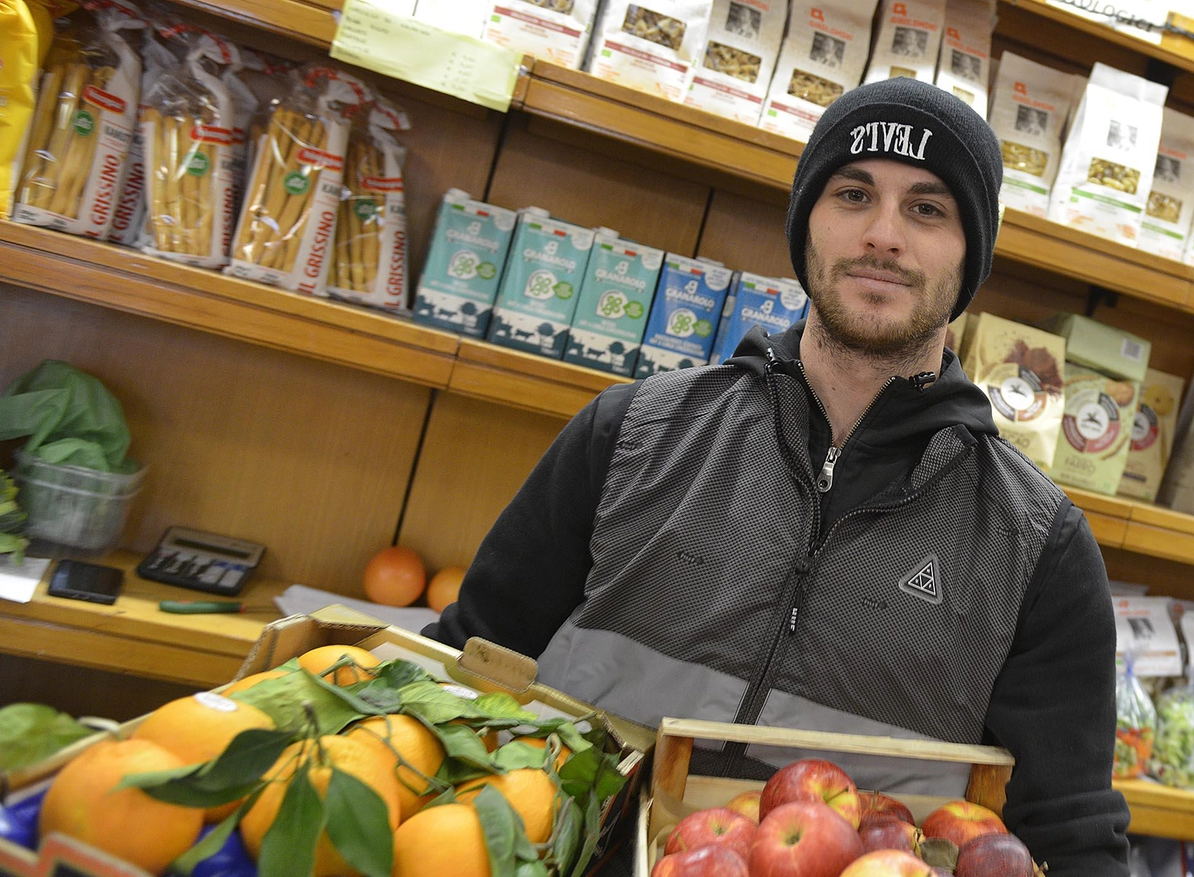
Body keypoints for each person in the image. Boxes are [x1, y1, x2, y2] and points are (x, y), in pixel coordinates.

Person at [427, 77, 1129, 877]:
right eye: (853, 193)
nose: (884, 235)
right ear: (805, 225)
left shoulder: (1037, 548)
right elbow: (462, 680)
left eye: (928, 209)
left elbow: (1073, 842)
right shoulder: (629, 435)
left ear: (971, 256)